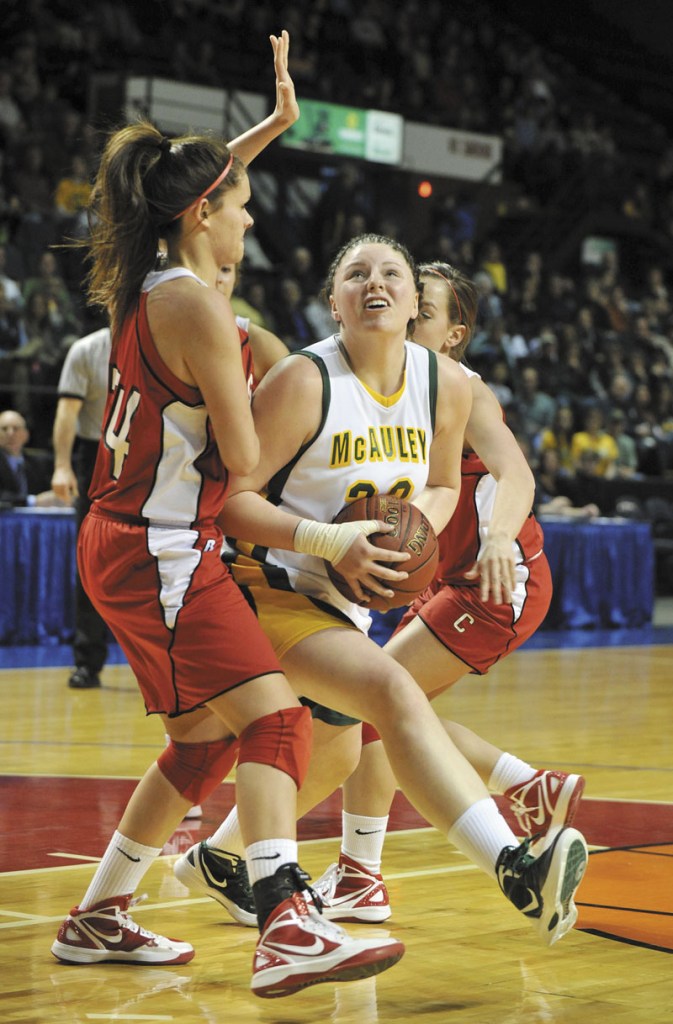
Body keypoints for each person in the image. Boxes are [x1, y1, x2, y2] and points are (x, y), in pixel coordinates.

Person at [50, 34, 405, 999]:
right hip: (158, 550)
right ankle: (288, 920)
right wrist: (269, 372)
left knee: (205, 741)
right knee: (277, 720)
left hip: (140, 542)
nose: (250, 221)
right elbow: (246, 463)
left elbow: (197, 192)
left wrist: (273, 128)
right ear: (204, 215)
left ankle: (100, 913)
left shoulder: (152, 274)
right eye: (240, 205)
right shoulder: (205, 313)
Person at [174, 235, 588, 949]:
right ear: (332, 299)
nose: (384, 287)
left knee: (342, 740)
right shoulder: (308, 380)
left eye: (396, 278)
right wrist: (331, 540)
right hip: (262, 583)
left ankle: (205, 864)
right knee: (385, 702)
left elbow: (463, 481)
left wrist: (426, 529)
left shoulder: (449, 384)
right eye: (357, 274)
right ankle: (511, 861)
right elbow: (229, 502)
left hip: (390, 590)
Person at [51, 328, 111, 689]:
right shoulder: (88, 349)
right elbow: (67, 410)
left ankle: (163, 663)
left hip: (155, 456)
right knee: (91, 566)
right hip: (98, 459)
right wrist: (61, 464)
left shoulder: (165, 339)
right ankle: (88, 660)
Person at [0, 408, 63, 507]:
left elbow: (49, 492)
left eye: (16, 428)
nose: (10, 434)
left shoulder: (38, 463)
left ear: (26, 435)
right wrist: (33, 501)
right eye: (4, 429)